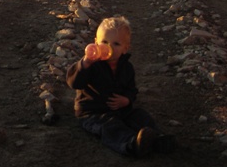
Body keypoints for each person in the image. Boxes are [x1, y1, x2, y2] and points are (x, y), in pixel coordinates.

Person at [66, 16, 174, 157]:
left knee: (140, 115)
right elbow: (74, 83)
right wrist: (85, 63)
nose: (108, 47)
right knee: (110, 126)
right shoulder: (91, 65)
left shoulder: (127, 68)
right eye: (104, 42)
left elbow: (132, 89)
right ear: (95, 43)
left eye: (116, 44)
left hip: (120, 109)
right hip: (93, 113)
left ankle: (158, 139)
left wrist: (127, 100)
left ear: (125, 48)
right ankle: (132, 144)